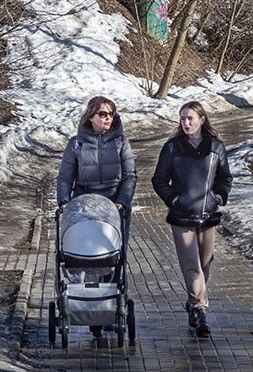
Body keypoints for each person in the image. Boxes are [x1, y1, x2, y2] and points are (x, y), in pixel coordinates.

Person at [57, 95, 137, 337]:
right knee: (84, 256)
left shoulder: (121, 143)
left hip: (114, 207)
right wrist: (64, 202)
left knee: (112, 257)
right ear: (90, 116)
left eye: (111, 114)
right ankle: (86, 304)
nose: (108, 118)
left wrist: (122, 201)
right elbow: (65, 177)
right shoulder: (76, 144)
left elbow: (130, 176)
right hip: (85, 206)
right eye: (103, 114)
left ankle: (106, 307)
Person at [151, 101, 233, 337]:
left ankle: (193, 302)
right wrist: (173, 198)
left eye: (190, 118)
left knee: (205, 264)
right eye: (182, 119)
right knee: (192, 267)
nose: (186, 123)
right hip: (181, 216)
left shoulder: (216, 147)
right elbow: (159, 179)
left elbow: (225, 177)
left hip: (208, 215)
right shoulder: (172, 148)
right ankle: (200, 310)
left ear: (202, 120)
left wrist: (218, 196)